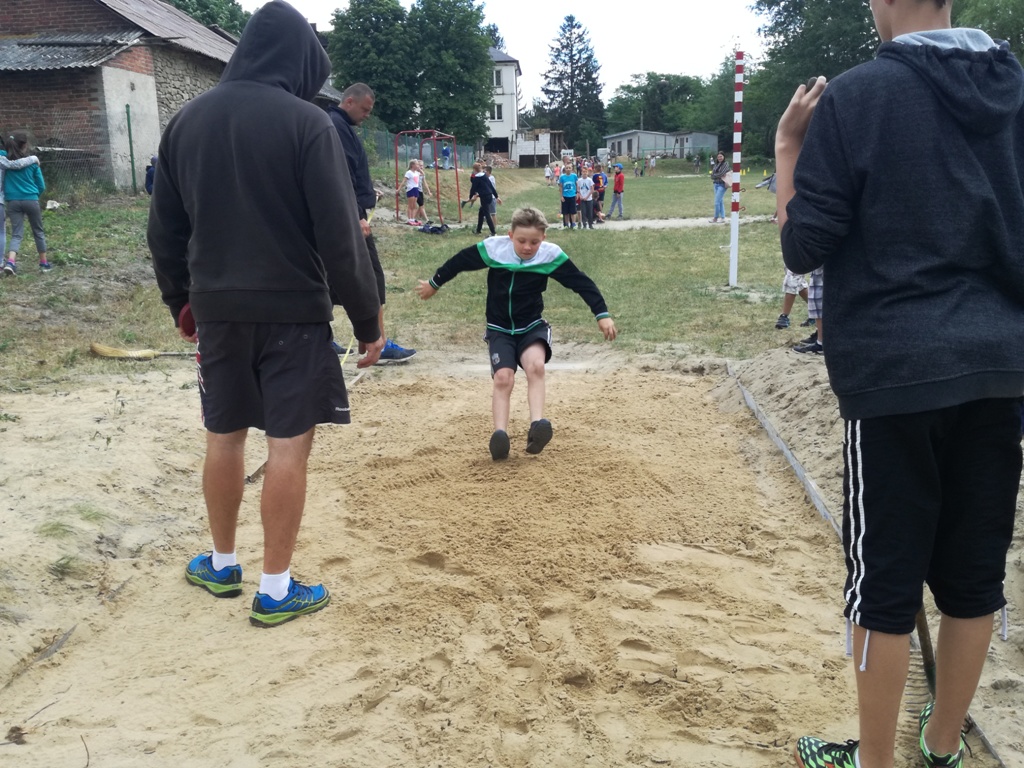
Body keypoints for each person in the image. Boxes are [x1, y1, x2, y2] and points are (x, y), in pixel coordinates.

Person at [775, 1, 1024, 767]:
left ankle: (874, 762)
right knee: (974, 577)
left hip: (896, 372)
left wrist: (788, 148)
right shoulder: (1014, 90)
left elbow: (805, 245)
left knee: (882, 586)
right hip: (998, 365)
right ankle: (943, 748)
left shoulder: (859, 95)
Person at [147, 0, 385, 628]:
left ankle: (222, 564)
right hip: (294, 315)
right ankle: (275, 589)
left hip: (217, 312)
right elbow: (340, 237)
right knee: (288, 446)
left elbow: (164, 231)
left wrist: (181, 302)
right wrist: (368, 321)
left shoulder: (185, 121)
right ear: (300, 62)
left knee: (224, 435)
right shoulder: (308, 124)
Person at [414, 206, 616, 460]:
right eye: (521, 241)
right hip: (499, 328)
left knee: (536, 367)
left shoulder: (551, 256)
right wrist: (434, 283)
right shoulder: (494, 249)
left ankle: (537, 426)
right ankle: (500, 436)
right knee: (503, 378)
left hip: (531, 326)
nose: (528, 247)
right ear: (510, 235)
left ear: (543, 238)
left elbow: (581, 283)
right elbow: (459, 262)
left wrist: (601, 314)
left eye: (534, 242)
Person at [326, 82, 416, 364]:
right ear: (349, 102)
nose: (367, 115)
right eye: (365, 110)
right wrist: (355, 215)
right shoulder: (336, 127)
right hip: (347, 218)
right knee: (370, 277)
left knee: (329, 279)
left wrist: (367, 193)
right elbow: (338, 175)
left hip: (346, 213)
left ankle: (330, 340)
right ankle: (378, 342)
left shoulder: (341, 126)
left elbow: (352, 174)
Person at [3, 132, 50, 274]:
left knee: (16, 233)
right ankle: (44, 263)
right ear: (25, 145)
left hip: (13, 202)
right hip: (31, 199)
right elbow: (41, 185)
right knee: (38, 231)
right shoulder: (33, 164)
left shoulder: (6, 164)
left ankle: (11, 262)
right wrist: (34, 195)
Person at [0, 143, 40, 276]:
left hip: (11, 202)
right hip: (2, 201)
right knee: (1, 232)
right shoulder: (2, 158)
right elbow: (15, 164)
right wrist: (33, 158)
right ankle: (0, 264)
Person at [468, 161, 499, 235]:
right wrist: (496, 196)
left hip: (484, 197)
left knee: (487, 214)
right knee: (481, 213)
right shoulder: (484, 176)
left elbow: (473, 189)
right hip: (489, 196)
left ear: (474, 170)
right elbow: (491, 187)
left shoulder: (476, 178)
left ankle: (493, 232)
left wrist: (470, 197)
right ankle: (478, 230)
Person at [710, 151, 729, 223]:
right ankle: (723, 217)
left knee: (716, 202)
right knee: (720, 201)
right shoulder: (716, 164)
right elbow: (712, 175)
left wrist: (715, 175)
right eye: (718, 157)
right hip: (716, 184)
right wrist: (715, 175)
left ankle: (715, 218)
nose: (719, 158)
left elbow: (722, 173)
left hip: (722, 185)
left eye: (721, 156)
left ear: (723, 157)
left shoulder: (725, 164)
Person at [559, 162, 579, 228]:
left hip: (572, 195)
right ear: (565, 169)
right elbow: (561, 187)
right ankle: (566, 224)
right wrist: (561, 196)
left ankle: (573, 224)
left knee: (573, 212)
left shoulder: (574, 176)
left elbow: (577, 184)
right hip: (565, 196)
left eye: (569, 168)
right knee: (566, 212)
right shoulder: (562, 177)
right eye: (567, 168)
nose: (568, 169)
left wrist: (577, 193)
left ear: (571, 169)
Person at [404, 159, 422, 225]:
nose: (418, 165)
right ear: (412, 165)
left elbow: (423, 174)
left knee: (414, 205)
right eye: (416, 164)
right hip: (411, 189)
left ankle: (413, 218)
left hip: (416, 188)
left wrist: (419, 169)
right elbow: (404, 180)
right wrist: (399, 189)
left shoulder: (417, 173)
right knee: (410, 205)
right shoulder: (409, 172)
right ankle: (409, 219)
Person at [415, 159, 432, 224]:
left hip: (420, 190)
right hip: (415, 190)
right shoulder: (414, 173)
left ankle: (415, 218)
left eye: (422, 165)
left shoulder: (422, 174)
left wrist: (429, 191)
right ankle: (427, 220)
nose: (421, 167)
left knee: (421, 206)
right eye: (420, 165)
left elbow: (425, 183)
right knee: (421, 205)